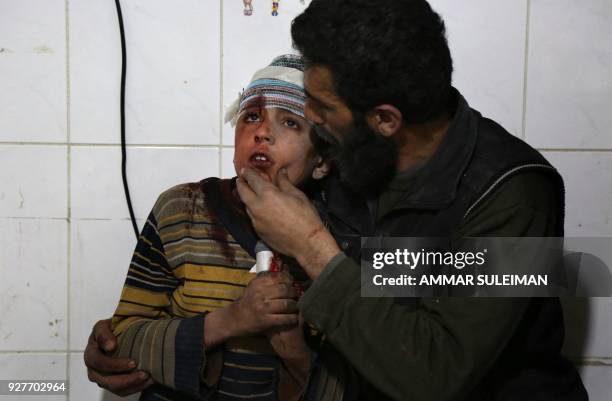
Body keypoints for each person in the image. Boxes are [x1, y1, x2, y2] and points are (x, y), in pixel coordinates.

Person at [233, 0, 589, 400]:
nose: (311, 114)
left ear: (385, 120)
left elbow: (435, 374)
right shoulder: (351, 151)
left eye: (324, 105)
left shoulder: (513, 195)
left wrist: (310, 244)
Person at [88, 54, 342, 401]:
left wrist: (294, 349)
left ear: (322, 161)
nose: (263, 132)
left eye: (290, 123)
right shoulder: (181, 210)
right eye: (251, 117)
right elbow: (119, 346)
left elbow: (358, 382)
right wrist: (233, 320)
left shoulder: (338, 237)